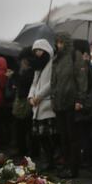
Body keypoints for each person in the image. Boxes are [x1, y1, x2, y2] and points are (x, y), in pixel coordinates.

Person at [51, 32, 88, 178]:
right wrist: (53, 99)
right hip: (59, 104)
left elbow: (81, 79)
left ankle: (73, 169)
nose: (59, 45)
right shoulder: (56, 59)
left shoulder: (75, 55)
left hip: (72, 103)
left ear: (66, 42)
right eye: (57, 42)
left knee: (73, 138)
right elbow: (53, 81)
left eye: (61, 42)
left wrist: (80, 100)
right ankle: (66, 166)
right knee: (63, 137)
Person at [28, 39, 56, 171]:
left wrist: (38, 97)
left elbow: (51, 83)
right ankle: (48, 160)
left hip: (47, 105)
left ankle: (51, 161)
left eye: (39, 50)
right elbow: (34, 83)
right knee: (41, 137)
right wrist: (31, 97)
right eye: (35, 51)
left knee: (49, 136)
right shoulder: (38, 66)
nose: (37, 53)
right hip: (37, 106)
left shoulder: (52, 63)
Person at [11, 47, 34, 157]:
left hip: (26, 101)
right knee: (22, 128)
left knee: (25, 127)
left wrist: (15, 77)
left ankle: (26, 151)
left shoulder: (30, 72)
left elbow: (23, 83)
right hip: (23, 101)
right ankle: (23, 149)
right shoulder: (26, 71)